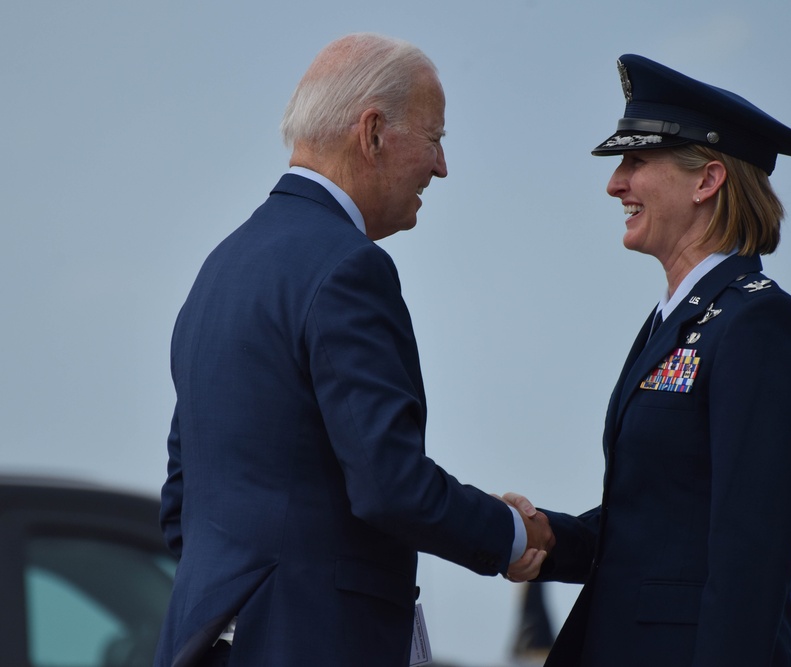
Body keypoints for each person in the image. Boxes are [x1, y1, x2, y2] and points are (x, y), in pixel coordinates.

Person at [154, 33, 552, 667]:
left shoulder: (217, 271)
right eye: (435, 138)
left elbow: (183, 508)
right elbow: (390, 485)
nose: (441, 166)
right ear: (372, 132)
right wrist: (509, 534)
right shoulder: (349, 268)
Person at [506, 55, 791, 666]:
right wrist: (549, 535)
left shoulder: (757, 322)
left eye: (635, 162)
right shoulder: (675, 320)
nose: (614, 183)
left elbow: (751, 549)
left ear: (707, 181)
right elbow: (659, 523)